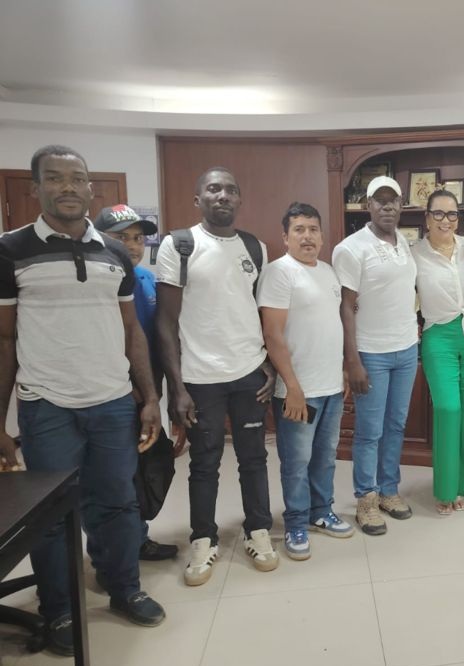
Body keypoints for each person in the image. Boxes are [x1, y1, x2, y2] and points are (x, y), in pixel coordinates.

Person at [0, 145, 166, 655]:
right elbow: (4, 339)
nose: (68, 187)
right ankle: (59, 608)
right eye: (55, 178)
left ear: (92, 189)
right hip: (47, 405)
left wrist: (149, 397)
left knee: (117, 502)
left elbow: (131, 331)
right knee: (51, 515)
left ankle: (123, 587)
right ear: (36, 188)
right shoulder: (10, 250)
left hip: (112, 401)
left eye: (77, 178)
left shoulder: (113, 252)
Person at [156, 167, 278, 585]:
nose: (222, 195)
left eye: (229, 189)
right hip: (199, 377)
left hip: (248, 374)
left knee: (254, 458)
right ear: (198, 199)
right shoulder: (179, 245)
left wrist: (267, 362)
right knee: (205, 462)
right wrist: (176, 387)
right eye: (213, 189)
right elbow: (165, 322)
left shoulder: (255, 248)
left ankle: (258, 530)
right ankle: (203, 539)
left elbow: (259, 311)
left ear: (239, 199)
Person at [258, 202, 355, 560]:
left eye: (313, 229)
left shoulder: (328, 272)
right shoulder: (279, 273)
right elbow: (273, 335)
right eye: (298, 229)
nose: (307, 236)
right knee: (296, 462)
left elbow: (332, 325)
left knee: (325, 457)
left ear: (322, 236)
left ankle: (321, 511)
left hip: (330, 386)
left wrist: (342, 370)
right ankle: (296, 522)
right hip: (298, 391)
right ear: (285, 237)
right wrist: (292, 388)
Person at [332, 176, 418, 535]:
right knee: (370, 431)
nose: (387, 206)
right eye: (379, 201)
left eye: (393, 200)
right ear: (367, 205)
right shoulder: (351, 248)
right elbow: (345, 307)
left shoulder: (404, 242)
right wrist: (352, 361)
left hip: (407, 350)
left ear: (401, 205)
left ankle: (388, 490)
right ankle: (365, 498)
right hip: (371, 353)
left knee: (396, 425)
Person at [94, 204, 179, 561]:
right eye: (121, 237)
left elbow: (158, 340)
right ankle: (111, 553)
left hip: (148, 395)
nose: (131, 245)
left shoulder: (145, 279)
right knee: (113, 478)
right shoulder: (95, 283)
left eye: (138, 238)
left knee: (143, 469)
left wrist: (159, 396)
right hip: (113, 396)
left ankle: (137, 539)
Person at [411, 189, 464, 515]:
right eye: (439, 213)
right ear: (427, 217)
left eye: (452, 214)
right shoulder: (413, 253)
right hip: (438, 336)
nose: (446, 220)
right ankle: (447, 488)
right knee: (448, 407)